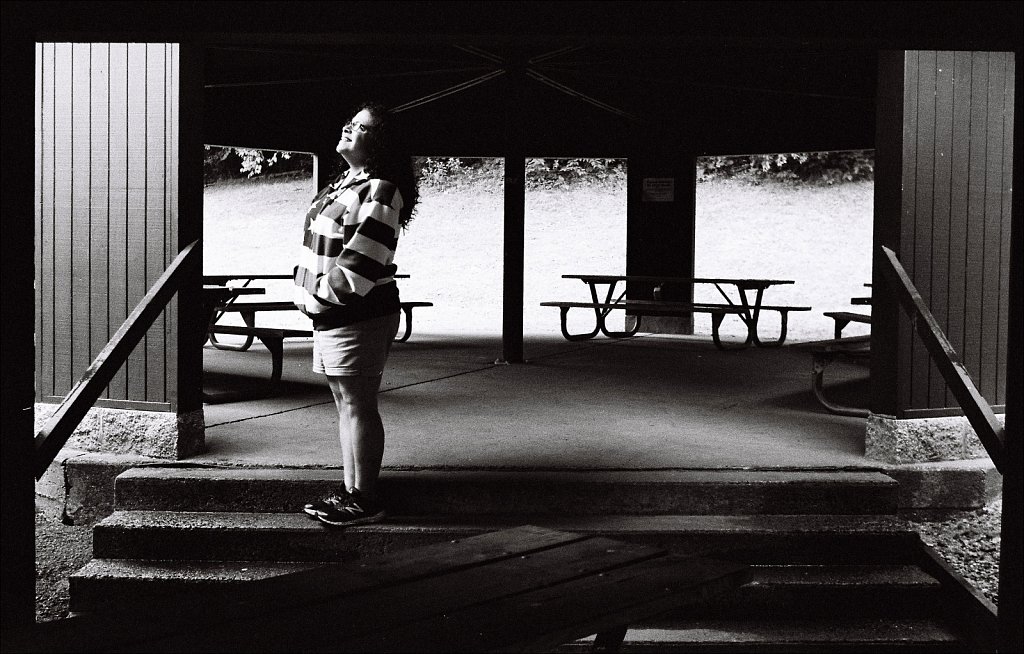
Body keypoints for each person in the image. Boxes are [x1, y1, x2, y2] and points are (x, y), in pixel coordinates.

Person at [293, 101, 418, 527]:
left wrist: (316, 299)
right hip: (334, 313)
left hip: (357, 312)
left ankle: (365, 499)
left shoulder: (381, 189)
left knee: (359, 404)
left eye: (361, 127)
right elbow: (316, 249)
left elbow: (362, 263)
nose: (349, 128)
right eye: (349, 122)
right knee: (345, 403)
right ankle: (351, 492)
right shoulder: (346, 184)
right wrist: (305, 291)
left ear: (379, 142)